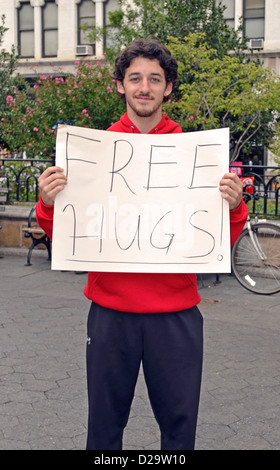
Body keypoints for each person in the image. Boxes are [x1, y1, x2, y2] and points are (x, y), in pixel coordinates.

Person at [36, 38, 248, 450]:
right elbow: (66, 232)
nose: (145, 87)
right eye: (135, 78)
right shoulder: (93, 154)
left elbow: (220, 238)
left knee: (179, 431)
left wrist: (235, 207)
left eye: (155, 79)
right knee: (103, 429)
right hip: (111, 314)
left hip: (177, 316)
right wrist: (47, 204)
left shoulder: (195, 154)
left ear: (168, 87)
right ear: (120, 85)